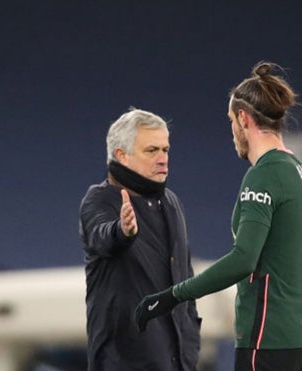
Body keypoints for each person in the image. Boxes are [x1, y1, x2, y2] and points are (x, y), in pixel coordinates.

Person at [135, 62, 302, 371]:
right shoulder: (300, 172)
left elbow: (244, 259)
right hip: (301, 336)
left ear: (244, 119)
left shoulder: (264, 175)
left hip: (267, 339)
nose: (232, 130)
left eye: (231, 120)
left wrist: (174, 295)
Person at [79, 108, 201, 371]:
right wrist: (122, 231)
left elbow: (184, 280)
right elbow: (102, 237)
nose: (163, 159)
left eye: (165, 150)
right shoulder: (99, 199)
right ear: (122, 156)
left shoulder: (171, 202)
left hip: (176, 363)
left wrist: (190, 343)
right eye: (151, 151)